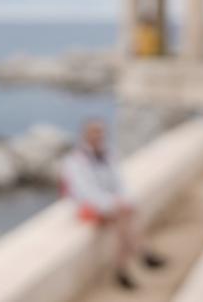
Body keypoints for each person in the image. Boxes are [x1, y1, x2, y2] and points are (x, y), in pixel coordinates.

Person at [62, 119, 166, 290]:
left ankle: (123, 270)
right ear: (85, 135)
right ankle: (142, 254)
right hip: (86, 208)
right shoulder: (74, 161)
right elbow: (85, 192)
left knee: (124, 220)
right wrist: (113, 204)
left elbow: (120, 184)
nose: (97, 136)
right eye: (93, 132)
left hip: (110, 207)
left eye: (99, 132)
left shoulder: (109, 154)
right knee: (124, 218)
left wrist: (123, 201)